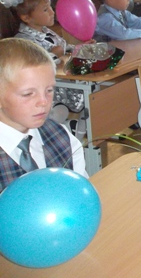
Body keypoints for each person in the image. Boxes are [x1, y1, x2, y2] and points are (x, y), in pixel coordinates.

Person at [0, 38, 88, 193]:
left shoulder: (61, 136)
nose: (44, 101)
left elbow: (80, 190)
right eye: (28, 94)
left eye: (49, 90)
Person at [0, 0, 75, 62]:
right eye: (45, 10)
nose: (52, 12)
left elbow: (64, 47)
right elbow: (34, 65)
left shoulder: (45, 30)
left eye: (50, 6)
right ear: (26, 18)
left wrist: (79, 48)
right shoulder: (23, 42)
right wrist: (54, 55)